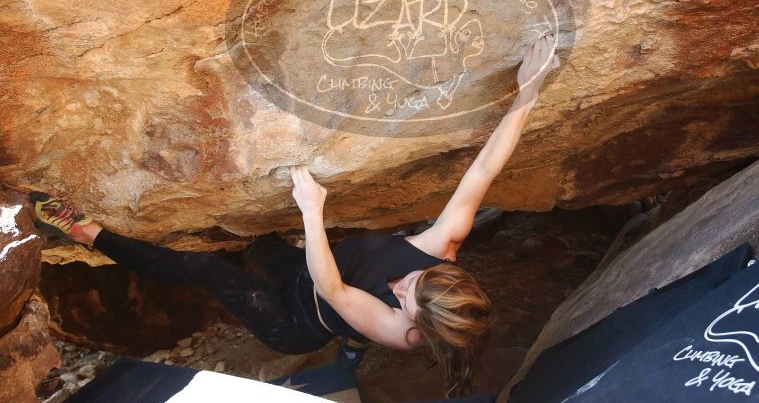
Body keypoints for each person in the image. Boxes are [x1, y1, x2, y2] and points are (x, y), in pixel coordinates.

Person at [29, 32, 559, 397]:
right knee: (252, 247)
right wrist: (529, 91)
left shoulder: (401, 331)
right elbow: (484, 171)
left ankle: (82, 228)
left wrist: (312, 211)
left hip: (295, 321)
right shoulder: (444, 240)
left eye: (406, 304)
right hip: (305, 276)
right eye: (412, 284)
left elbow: (333, 288)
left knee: (210, 269)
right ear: (445, 264)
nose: (399, 290)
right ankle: (347, 344)